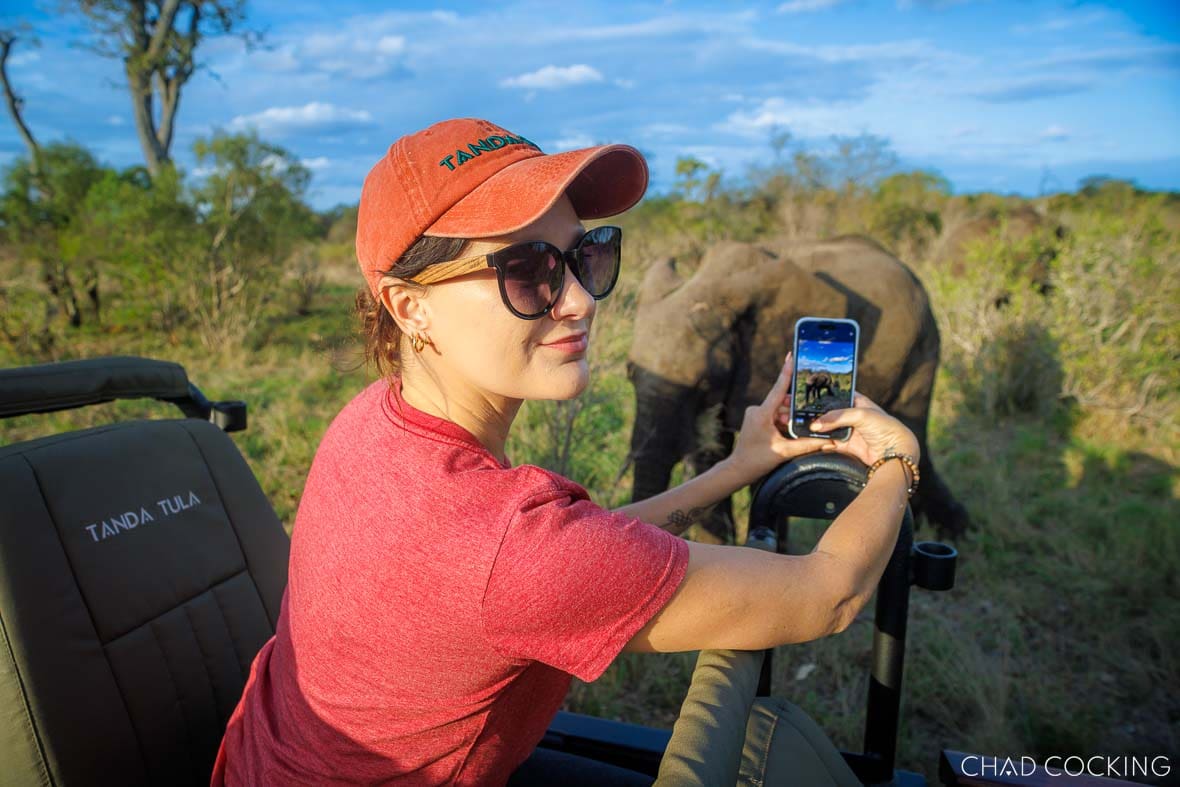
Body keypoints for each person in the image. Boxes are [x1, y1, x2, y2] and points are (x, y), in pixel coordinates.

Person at [209, 117, 920, 786]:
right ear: (409, 305)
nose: (580, 300)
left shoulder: (371, 421)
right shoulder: (511, 548)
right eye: (527, 270)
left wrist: (737, 466)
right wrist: (895, 463)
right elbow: (830, 594)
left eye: (589, 255)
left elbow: (572, 558)